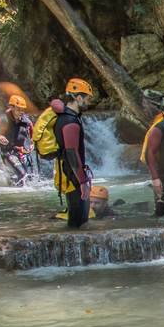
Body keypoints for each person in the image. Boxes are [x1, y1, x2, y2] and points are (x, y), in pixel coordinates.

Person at [51, 78, 94, 228]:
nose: (89, 103)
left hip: (70, 174)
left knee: (79, 220)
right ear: (78, 98)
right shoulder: (70, 122)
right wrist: (82, 182)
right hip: (73, 177)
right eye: (87, 99)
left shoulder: (67, 118)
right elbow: (71, 152)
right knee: (77, 222)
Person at [0, 94, 34, 185]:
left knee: (29, 177)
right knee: (22, 175)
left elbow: (31, 127)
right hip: (7, 151)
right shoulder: (4, 119)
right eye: (18, 109)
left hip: (19, 151)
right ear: (11, 107)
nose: (21, 112)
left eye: (23, 109)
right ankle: (19, 195)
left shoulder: (25, 120)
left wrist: (32, 142)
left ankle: (11, 183)